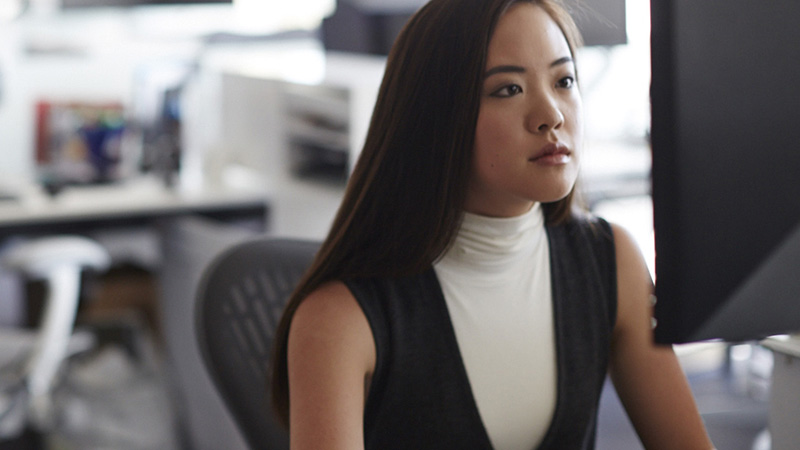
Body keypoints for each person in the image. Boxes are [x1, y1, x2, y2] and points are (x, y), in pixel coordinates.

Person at [271, 0, 716, 448]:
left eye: (564, 80)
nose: (552, 115)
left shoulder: (609, 259)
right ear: (437, 116)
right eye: (508, 89)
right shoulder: (340, 318)